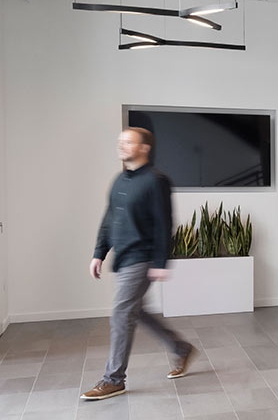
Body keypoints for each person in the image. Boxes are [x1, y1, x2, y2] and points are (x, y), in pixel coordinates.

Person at [83, 124, 195, 399]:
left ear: (144, 148)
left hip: (142, 258)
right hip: (123, 257)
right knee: (136, 311)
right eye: (120, 141)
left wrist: (161, 261)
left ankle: (114, 379)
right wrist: (99, 252)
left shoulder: (156, 180)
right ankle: (181, 349)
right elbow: (110, 219)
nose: (121, 146)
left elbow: (163, 224)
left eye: (128, 142)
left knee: (121, 314)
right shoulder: (119, 181)